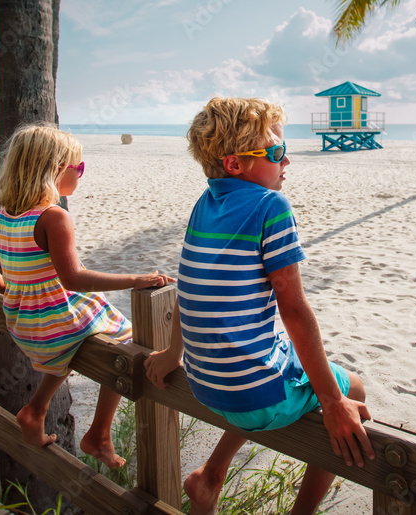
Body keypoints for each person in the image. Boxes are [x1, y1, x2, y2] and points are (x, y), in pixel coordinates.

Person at [144, 97, 375, 515]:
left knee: (272, 357)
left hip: (203, 382)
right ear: (236, 164)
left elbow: (189, 286)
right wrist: (331, 400)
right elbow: (294, 310)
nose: (287, 161)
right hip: (248, 394)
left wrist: (172, 352)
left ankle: (211, 475)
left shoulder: (204, 204)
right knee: (351, 387)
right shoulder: (272, 207)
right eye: (276, 152)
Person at [0, 123, 172, 469]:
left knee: (73, 339)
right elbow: (75, 278)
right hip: (51, 322)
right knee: (126, 341)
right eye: (78, 168)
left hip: (22, 322)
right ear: (54, 170)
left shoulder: (1, 218)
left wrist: (19, 294)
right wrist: (136, 279)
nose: (81, 175)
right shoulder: (54, 217)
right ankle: (99, 432)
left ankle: (37, 409)